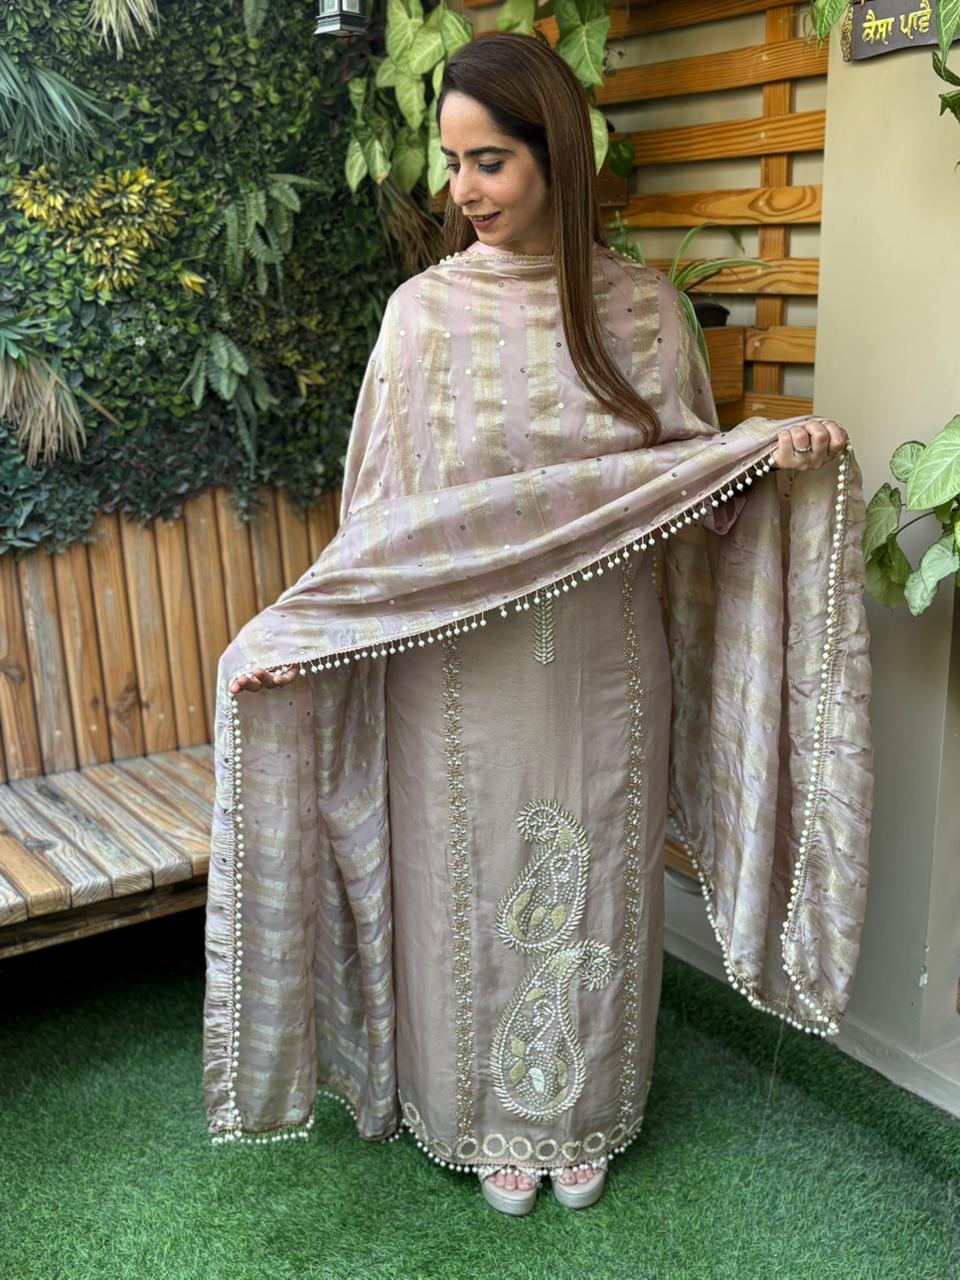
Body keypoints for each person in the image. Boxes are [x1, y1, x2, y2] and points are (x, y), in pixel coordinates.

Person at [204, 34, 873, 1219]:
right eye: (453, 161)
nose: (464, 189)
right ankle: (476, 1114)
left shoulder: (645, 312)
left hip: (608, 664)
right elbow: (383, 519)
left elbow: (684, 497)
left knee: (602, 869)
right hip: (457, 672)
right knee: (462, 878)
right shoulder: (420, 319)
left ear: (557, 154)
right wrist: (302, 633)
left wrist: (770, 462)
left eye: (491, 161)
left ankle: (582, 1113)